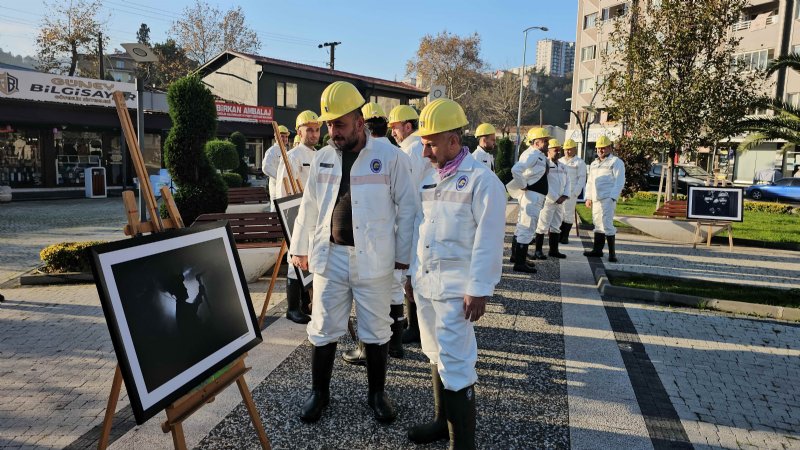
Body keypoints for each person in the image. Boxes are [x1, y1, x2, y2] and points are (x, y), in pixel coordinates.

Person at [289, 81, 416, 424]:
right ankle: (320, 393)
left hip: (374, 260)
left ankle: (377, 394)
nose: (333, 131)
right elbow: (310, 207)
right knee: (323, 326)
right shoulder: (323, 158)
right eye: (329, 124)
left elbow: (408, 209)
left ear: (360, 122)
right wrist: (299, 248)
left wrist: (403, 258)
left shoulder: (389, 157)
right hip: (331, 258)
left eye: (339, 124)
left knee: (376, 330)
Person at [405, 98, 506, 449]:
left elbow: (489, 240)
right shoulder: (430, 181)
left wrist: (479, 288)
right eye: (422, 143)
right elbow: (421, 229)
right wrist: (411, 274)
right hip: (426, 286)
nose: (424, 152)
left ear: (453, 140)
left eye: (430, 144)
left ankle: (462, 443)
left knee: (457, 365)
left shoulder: (482, 181)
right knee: (434, 355)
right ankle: (440, 422)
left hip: (456, 292)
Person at [342, 101, 408, 364]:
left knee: (370, 301)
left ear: (364, 126)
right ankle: (396, 344)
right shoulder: (398, 152)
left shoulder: (376, 154)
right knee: (393, 292)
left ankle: (368, 348)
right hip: (393, 238)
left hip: (371, 242)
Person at [388, 104, 431, 345]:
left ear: (407, 126)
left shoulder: (412, 149)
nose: (393, 132)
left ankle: (415, 327)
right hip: (417, 217)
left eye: (395, 127)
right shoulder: (411, 147)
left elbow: (406, 189)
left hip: (414, 219)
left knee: (408, 276)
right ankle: (414, 324)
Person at [275, 110, 322, 324]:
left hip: (316, 218)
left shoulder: (319, 155)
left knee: (309, 261)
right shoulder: (292, 157)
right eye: (309, 130)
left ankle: (304, 304)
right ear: (299, 132)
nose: (314, 134)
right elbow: (282, 193)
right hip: (297, 217)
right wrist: (290, 220)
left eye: (317, 130)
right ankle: (292, 308)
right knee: (295, 260)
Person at [507, 127, 551, 274]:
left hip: (535, 195)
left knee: (523, 227)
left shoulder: (538, 154)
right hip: (532, 195)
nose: (547, 143)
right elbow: (516, 170)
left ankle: (517, 257)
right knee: (527, 227)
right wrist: (523, 185)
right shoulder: (532, 154)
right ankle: (519, 263)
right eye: (545, 141)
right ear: (536, 142)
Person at [583, 135, 625, 263]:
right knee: (597, 223)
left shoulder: (616, 162)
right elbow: (590, 182)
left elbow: (620, 181)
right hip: (596, 199)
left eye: (604, 148)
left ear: (610, 148)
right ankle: (597, 250)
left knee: (607, 224)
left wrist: (613, 197)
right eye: (598, 148)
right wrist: (588, 197)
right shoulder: (594, 164)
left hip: (607, 198)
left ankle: (612, 254)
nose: (601, 150)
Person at [533, 139, 571, 259]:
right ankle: (538, 251)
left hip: (560, 202)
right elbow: (544, 183)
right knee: (542, 226)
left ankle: (554, 250)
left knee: (556, 226)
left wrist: (565, 195)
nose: (558, 152)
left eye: (559, 150)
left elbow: (568, 182)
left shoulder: (564, 167)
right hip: (548, 201)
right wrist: (555, 197)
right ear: (548, 151)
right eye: (555, 150)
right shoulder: (545, 165)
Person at [558, 139, 587, 244]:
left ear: (575, 149)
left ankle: (565, 236)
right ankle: (559, 235)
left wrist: (575, 193)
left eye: (570, 149)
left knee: (568, 214)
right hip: (559, 192)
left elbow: (582, 179)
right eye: (566, 150)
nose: (567, 152)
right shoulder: (560, 161)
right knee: (559, 214)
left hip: (571, 193)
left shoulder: (579, 162)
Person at [261, 125, 290, 211]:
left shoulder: (286, 151)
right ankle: (272, 224)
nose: (284, 139)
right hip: (276, 185)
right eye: (282, 136)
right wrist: (280, 177)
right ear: (276, 136)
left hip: (285, 185)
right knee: (275, 210)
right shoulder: (272, 151)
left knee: (284, 211)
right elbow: (266, 167)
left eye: (286, 137)